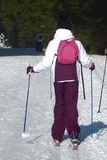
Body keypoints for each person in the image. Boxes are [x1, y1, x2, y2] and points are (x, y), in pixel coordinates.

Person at [27, 14, 95, 147]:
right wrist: (91, 65)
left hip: (58, 79)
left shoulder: (53, 43)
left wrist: (33, 69)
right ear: (70, 28)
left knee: (60, 106)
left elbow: (46, 63)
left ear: (57, 28)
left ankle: (57, 136)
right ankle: (74, 133)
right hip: (72, 79)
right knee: (71, 105)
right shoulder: (76, 43)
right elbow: (85, 61)